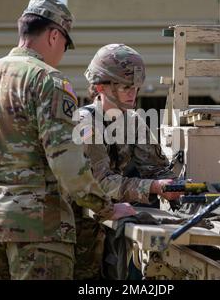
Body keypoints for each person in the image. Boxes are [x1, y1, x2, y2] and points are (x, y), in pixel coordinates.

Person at [0, 0, 135, 280]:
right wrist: (106, 208)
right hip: (40, 232)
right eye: (65, 43)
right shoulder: (49, 82)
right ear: (53, 35)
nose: (63, 52)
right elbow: (67, 162)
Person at [73, 44, 183, 279]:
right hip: (78, 229)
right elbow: (100, 183)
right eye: (125, 87)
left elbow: (154, 169)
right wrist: (154, 188)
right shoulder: (85, 124)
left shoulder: (132, 121)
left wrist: (172, 184)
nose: (133, 93)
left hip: (112, 224)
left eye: (135, 87)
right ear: (101, 87)